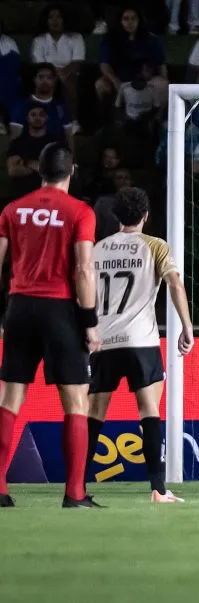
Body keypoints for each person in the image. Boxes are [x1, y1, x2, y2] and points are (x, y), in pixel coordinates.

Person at [0, 144, 101, 508]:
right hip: (59, 310)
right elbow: (84, 269)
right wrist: (89, 322)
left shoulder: (13, 209)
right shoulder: (80, 211)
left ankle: (0, 488)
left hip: (20, 307)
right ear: (71, 170)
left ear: (38, 170)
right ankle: (74, 494)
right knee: (75, 401)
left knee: (10, 397)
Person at [84, 188, 194, 502]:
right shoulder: (155, 245)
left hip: (103, 341)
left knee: (95, 415)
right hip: (140, 341)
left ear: (117, 216)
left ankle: (77, 486)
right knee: (148, 412)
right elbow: (174, 283)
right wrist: (186, 326)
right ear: (145, 216)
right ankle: (158, 491)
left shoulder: (97, 249)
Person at [95, 8, 169, 112]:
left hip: (145, 82)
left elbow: (161, 65)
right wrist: (116, 82)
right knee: (101, 84)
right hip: (119, 80)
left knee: (162, 84)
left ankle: (155, 122)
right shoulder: (110, 39)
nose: (130, 22)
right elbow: (104, 65)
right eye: (126, 19)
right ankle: (110, 123)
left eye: (133, 19)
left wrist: (162, 79)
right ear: (120, 21)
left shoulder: (151, 39)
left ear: (139, 21)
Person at [31, 5, 85, 134]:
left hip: (70, 74)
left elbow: (77, 61)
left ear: (64, 19)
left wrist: (63, 73)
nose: (55, 21)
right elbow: (40, 64)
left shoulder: (76, 37)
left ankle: (73, 122)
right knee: (45, 81)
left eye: (58, 17)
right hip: (46, 74)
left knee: (70, 82)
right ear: (46, 20)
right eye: (51, 17)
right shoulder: (39, 40)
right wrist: (56, 74)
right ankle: (44, 122)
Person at [5, 105, 65, 198]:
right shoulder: (18, 143)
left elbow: (58, 170)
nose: (37, 118)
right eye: (33, 115)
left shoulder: (55, 143)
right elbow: (13, 171)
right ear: (27, 118)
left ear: (46, 118)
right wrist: (43, 167)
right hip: (22, 195)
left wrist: (27, 163)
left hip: (50, 195)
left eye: (41, 115)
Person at [10, 63, 73, 146]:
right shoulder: (21, 105)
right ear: (34, 79)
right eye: (41, 77)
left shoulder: (61, 106)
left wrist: (73, 157)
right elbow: (15, 138)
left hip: (56, 153)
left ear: (54, 80)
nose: (45, 81)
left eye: (49, 78)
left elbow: (69, 136)